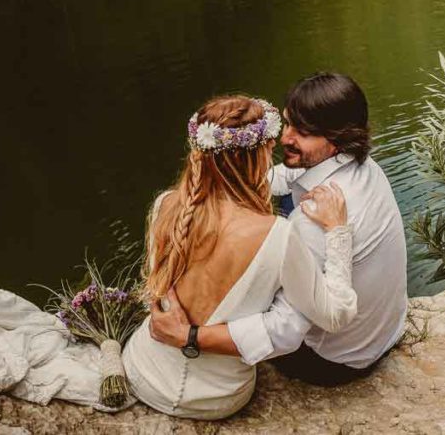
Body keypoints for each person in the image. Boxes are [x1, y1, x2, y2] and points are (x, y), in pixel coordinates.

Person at [149, 73, 409, 387]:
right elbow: (284, 177)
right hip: (385, 332)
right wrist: (230, 181)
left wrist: (190, 336)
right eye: (287, 124)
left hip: (335, 359)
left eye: (303, 132)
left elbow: (284, 329)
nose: (286, 138)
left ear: (337, 138)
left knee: (249, 263)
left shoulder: (309, 223)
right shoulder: (365, 167)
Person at [122, 94, 358, 419]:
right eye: (268, 149)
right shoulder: (277, 234)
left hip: (142, 369)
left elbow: (158, 291)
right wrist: (337, 232)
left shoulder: (166, 205)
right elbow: (336, 315)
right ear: (258, 156)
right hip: (213, 398)